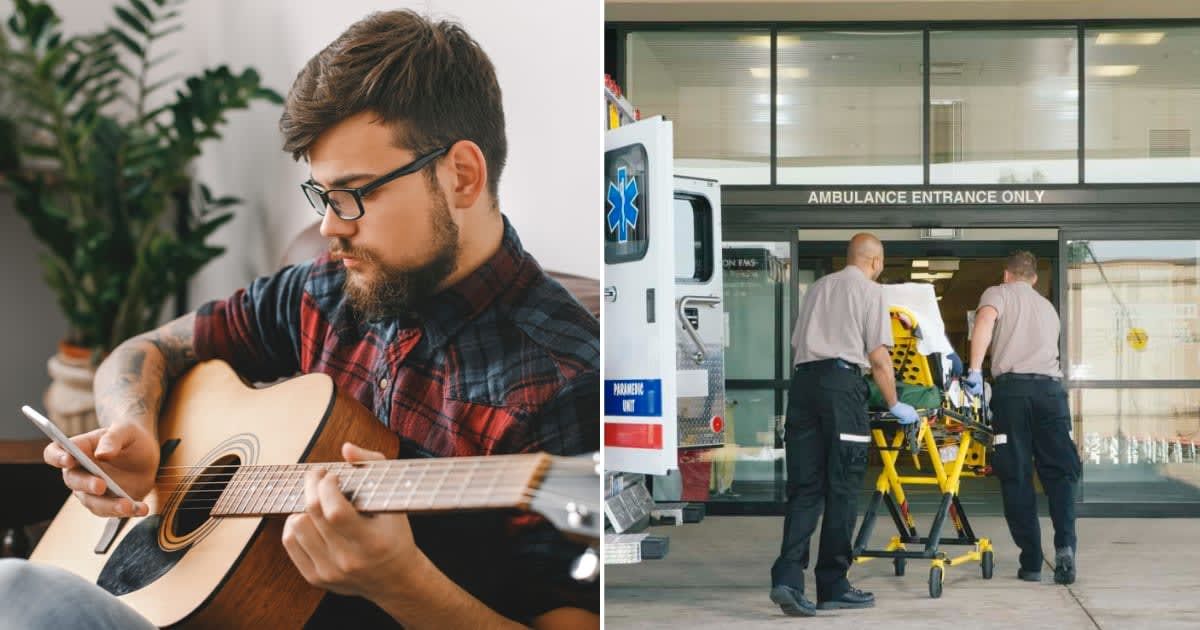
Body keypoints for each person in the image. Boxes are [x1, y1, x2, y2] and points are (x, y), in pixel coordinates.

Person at [0, 10, 599, 629]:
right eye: (322, 195)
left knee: (15, 590)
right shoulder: (322, 291)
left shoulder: (565, 380)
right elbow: (144, 350)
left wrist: (402, 584)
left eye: (354, 193)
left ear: (461, 176)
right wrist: (134, 434)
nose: (330, 226)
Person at [769, 233, 919, 617]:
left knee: (805, 489)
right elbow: (878, 356)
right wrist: (895, 402)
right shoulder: (870, 292)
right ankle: (832, 584)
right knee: (843, 487)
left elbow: (796, 342)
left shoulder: (818, 288)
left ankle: (787, 578)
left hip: (803, 387)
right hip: (841, 387)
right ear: (875, 261)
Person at [964, 251, 1078, 586]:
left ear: (1007, 274)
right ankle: (1065, 548)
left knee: (1016, 474)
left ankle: (1030, 561)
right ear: (1034, 278)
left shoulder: (997, 292)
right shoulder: (1047, 307)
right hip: (1051, 394)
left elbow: (984, 322)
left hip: (1013, 394)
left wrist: (974, 370)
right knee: (1060, 474)